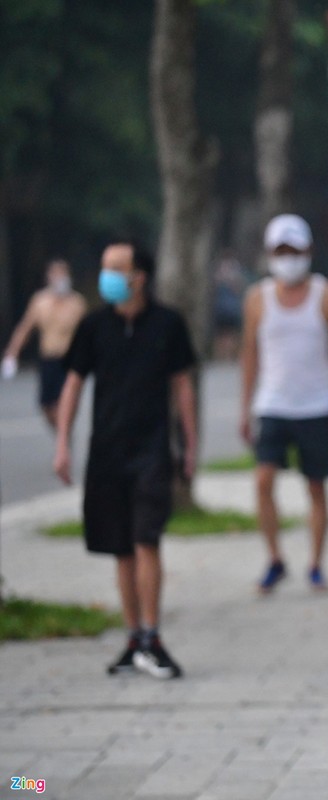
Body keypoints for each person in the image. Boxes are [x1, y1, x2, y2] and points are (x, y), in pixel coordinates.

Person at [53, 240, 197, 679]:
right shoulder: (94, 326)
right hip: (107, 451)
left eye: (116, 268)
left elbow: (183, 387)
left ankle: (153, 635)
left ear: (140, 277)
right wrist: (63, 442)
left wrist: (189, 445)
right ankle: (133, 636)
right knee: (120, 547)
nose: (108, 277)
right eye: (104, 268)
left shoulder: (168, 324)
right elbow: (74, 385)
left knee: (146, 539)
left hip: (152, 449)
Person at [241, 214, 328, 593]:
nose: (287, 257)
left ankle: (315, 564)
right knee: (263, 481)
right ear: (269, 254)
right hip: (273, 404)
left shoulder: (326, 296)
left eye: (294, 250)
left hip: (317, 406)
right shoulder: (256, 299)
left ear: (308, 251)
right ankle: (275, 558)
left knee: (316, 486)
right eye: (280, 251)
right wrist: (245, 407)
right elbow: (250, 355)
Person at [2, 258, 88, 428]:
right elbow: (25, 328)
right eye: (55, 274)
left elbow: (88, 335)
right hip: (48, 359)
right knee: (47, 404)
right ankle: (62, 435)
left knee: (67, 402)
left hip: (70, 360)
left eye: (62, 273)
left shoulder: (77, 303)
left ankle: (63, 440)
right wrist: (11, 354)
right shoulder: (40, 301)